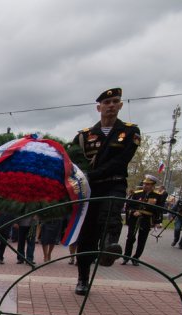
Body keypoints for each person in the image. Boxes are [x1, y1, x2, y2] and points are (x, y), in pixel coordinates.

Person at [71, 88, 140, 295]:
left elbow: (121, 161)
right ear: (98, 107)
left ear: (120, 105)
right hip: (90, 188)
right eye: (107, 102)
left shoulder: (130, 131)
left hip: (114, 182)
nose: (111, 105)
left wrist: (92, 174)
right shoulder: (84, 136)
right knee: (86, 234)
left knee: (110, 210)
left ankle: (109, 246)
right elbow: (74, 161)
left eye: (115, 101)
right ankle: (83, 278)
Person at [122, 175, 166, 265]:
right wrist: (133, 211)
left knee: (142, 240)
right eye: (145, 184)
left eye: (148, 184)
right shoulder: (137, 193)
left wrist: (158, 222)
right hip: (135, 218)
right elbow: (129, 206)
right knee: (130, 237)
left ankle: (136, 258)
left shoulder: (158, 196)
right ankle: (126, 256)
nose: (145, 186)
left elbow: (159, 210)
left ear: (153, 185)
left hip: (146, 219)